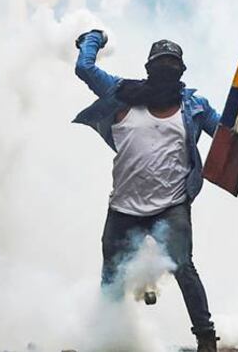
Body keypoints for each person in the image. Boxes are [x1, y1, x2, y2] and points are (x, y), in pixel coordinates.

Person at [72, 30, 221, 352]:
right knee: (112, 276)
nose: (166, 69)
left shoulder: (194, 106)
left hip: (172, 205)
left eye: (172, 64)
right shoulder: (122, 93)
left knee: (184, 267)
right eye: (160, 63)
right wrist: (93, 37)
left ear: (181, 71)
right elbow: (84, 68)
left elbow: (229, 135)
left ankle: (206, 338)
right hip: (124, 207)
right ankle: (107, 339)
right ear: (148, 67)